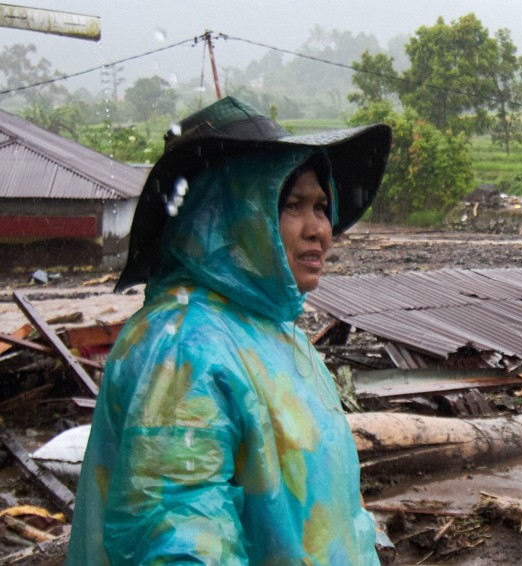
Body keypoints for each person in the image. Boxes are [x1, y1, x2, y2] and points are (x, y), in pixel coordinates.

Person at [66, 96, 392, 565]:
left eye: (322, 206)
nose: (318, 229)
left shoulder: (278, 336)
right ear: (232, 215)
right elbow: (178, 539)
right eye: (293, 205)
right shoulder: (183, 344)